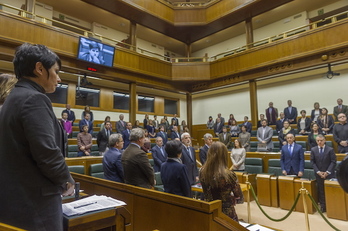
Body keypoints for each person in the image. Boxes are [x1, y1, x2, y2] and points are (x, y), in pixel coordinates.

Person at [0, 43, 74, 230]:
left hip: (17, 199)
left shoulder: (14, 97)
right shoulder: (34, 99)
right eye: (56, 71)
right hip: (36, 203)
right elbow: (46, 151)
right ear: (40, 68)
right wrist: (66, 181)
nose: (59, 78)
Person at [200, 142, 243, 221]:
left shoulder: (202, 171)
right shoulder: (229, 174)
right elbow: (240, 197)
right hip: (226, 213)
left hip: (209, 211)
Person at [310, 134, 336, 212]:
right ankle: (323, 207)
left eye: (321, 140)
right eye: (318, 141)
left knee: (329, 190)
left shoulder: (330, 149)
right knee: (321, 190)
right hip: (319, 174)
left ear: (324, 140)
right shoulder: (313, 150)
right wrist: (318, 172)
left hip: (328, 174)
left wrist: (327, 172)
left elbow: (333, 162)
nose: (320, 142)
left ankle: (331, 206)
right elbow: (312, 162)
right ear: (316, 141)